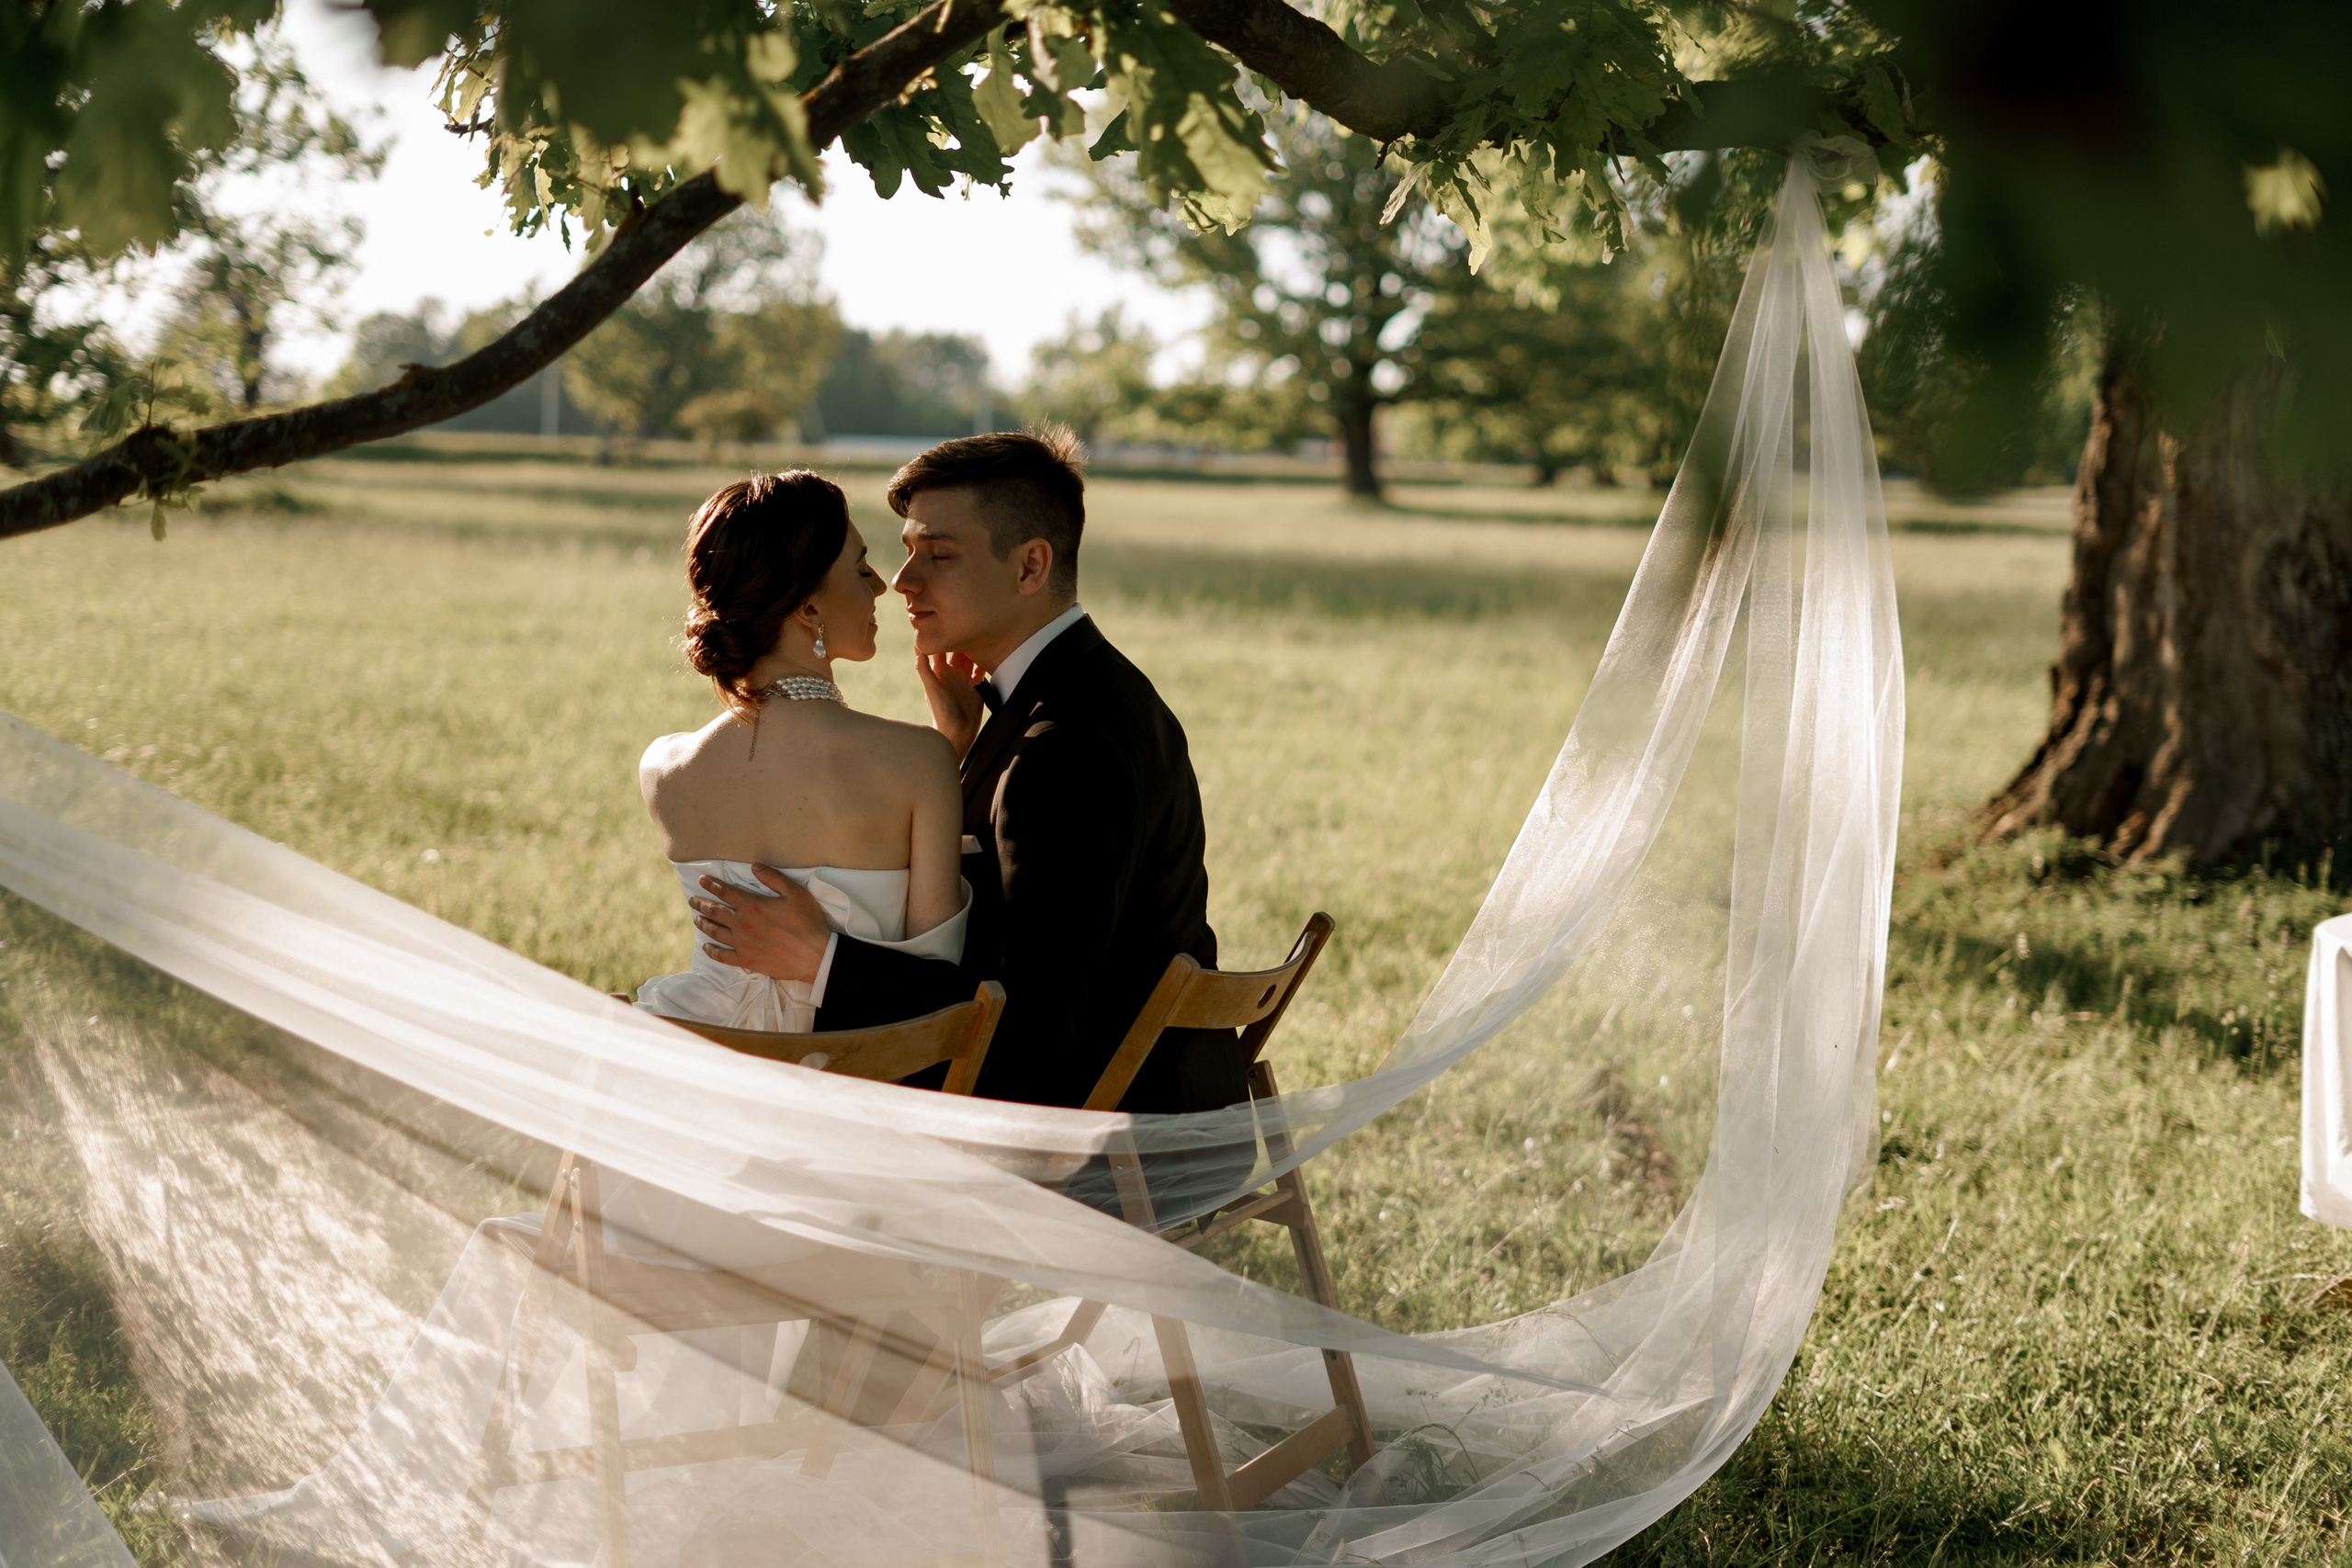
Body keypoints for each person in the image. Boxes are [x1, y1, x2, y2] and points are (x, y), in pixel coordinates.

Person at [687, 428, 1245, 1112]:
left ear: (1030, 567)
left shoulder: (1067, 746)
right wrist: (952, 742)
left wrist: (823, 960)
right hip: (1116, 1077)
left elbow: (1034, 1032)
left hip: (1099, 1116)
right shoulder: (1080, 688)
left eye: (940, 555)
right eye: (906, 552)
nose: (902, 582)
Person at [635, 469, 969, 1032]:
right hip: (854, 1085)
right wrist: (947, 754)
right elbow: (933, 998)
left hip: (703, 1067)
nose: (881, 586)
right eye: (861, 568)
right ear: (808, 609)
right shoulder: (920, 761)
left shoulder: (663, 768)